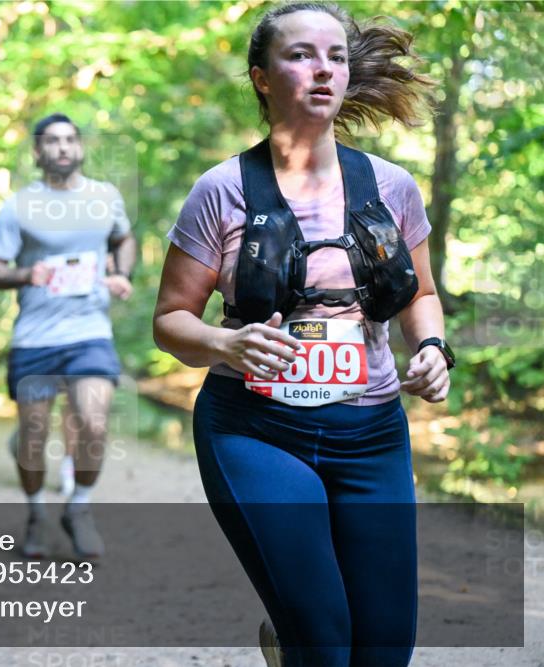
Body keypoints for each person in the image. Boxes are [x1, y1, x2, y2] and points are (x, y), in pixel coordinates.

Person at [153, 4, 445, 666]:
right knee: (323, 639)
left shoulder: (391, 186)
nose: (324, 70)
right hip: (257, 428)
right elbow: (170, 319)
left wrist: (430, 348)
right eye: (301, 55)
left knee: (384, 650)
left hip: (372, 433)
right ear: (261, 77)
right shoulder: (221, 190)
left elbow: (422, 294)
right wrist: (225, 343)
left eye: (336, 57)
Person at [0, 113, 136, 559]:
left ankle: (79, 507)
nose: (63, 147)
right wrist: (28, 273)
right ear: (37, 151)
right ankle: (35, 513)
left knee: (93, 422)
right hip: (35, 337)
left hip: (89, 331)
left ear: (81, 148)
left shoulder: (104, 197)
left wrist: (121, 272)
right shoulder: (18, 206)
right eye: (52, 141)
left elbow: (123, 239)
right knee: (32, 435)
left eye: (71, 139)